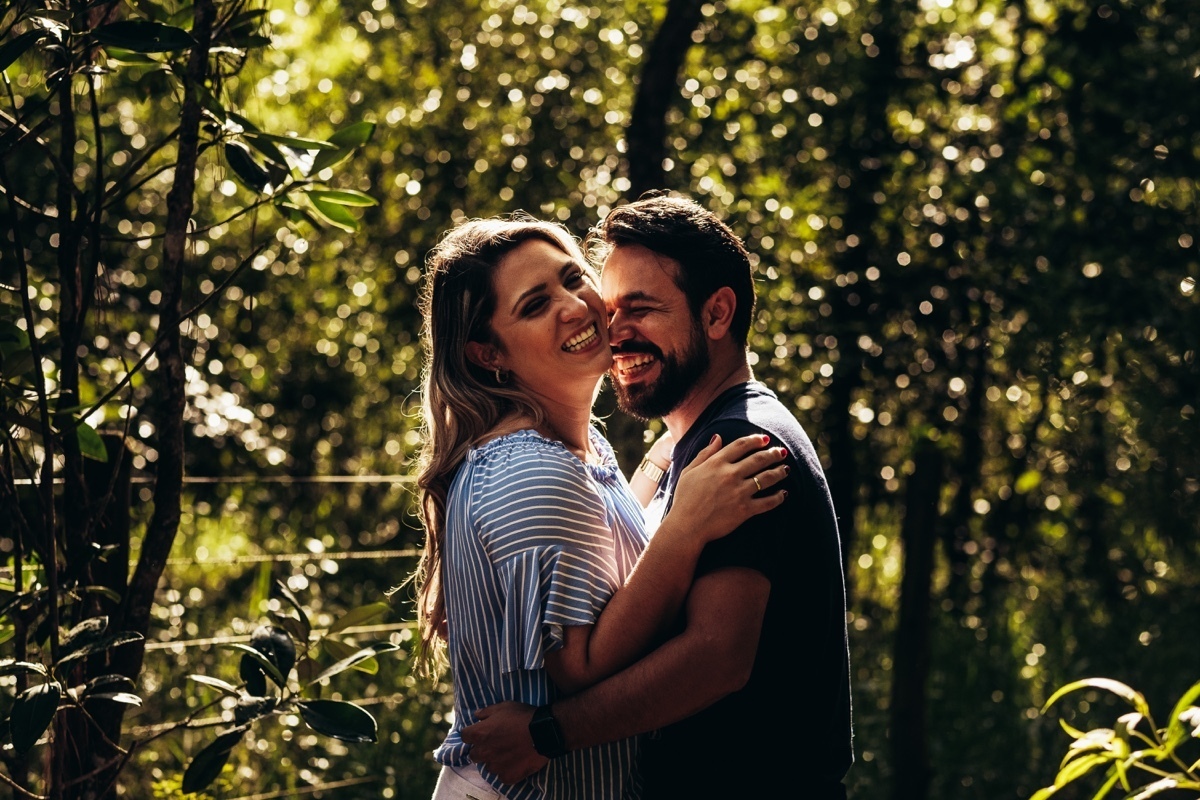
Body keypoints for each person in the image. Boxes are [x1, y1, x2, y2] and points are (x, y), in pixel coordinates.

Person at [461, 195, 854, 798]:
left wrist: (546, 734)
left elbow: (716, 656)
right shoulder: (695, 445)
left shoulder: (741, 447)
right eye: (612, 309)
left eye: (641, 310)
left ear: (717, 313)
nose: (614, 333)